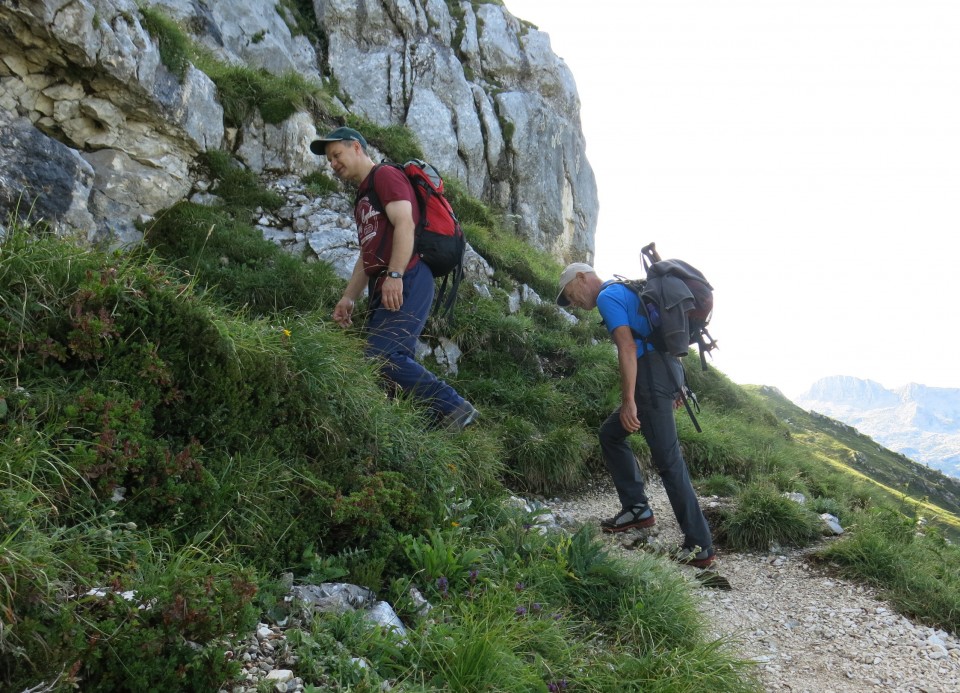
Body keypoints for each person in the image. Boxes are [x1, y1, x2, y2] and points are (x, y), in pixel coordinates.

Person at [310, 126, 477, 431]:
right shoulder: (364, 194)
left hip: (408, 274)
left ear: (357, 147)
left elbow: (405, 224)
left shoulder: (385, 176)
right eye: (330, 160)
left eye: (337, 154)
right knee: (382, 362)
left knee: (382, 355)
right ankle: (421, 426)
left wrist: (396, 274)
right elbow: (368, 253)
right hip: (385, 281)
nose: (333, 163)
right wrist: (349, 297)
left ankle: (455, 407)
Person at [557, 262, 715, 567]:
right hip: (666, 372)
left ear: (581, 278)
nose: (573, 303)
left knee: (669, 462)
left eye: (570, 294)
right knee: (611, 434)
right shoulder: (625, 289)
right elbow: (656, 338)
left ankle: (700, 546)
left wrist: (629, 401)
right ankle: (637, 509)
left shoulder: (607, 296)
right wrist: (676, 385)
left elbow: (628, 348)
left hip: (651, 379)